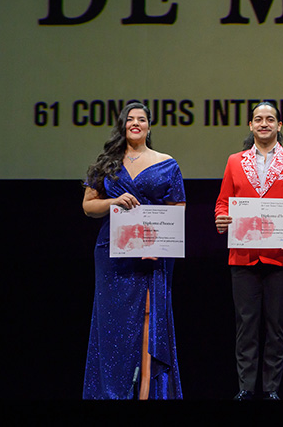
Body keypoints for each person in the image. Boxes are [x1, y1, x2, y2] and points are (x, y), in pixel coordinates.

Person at [215, 101, 283, 401]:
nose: (264, 123)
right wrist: (221, 219)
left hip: (282, 256)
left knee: (277, 327)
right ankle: (246, 388)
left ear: (279, 126)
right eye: (258, 119)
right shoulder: (235, 161)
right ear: (250, 125)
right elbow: (223, 203)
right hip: (243, 256)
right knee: (245, 325)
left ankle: (271, 388)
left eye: (270, 119)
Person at [82, 102, 185, 399]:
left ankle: (145, 394)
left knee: (147, 323)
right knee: (112, 327)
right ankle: (111, 393)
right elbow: (88, 206)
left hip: (151, 257)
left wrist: (159, 247)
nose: (135, 123)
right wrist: (113, 202)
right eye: (130, 119)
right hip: (112, 255)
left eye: (141, 119)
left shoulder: (167, 163)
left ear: (149, 127)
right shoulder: (107, 162)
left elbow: (177, 210)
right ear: (123, 125)